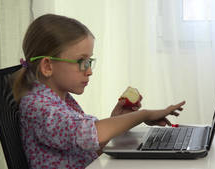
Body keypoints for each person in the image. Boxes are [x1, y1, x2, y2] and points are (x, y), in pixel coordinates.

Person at [13, 14, 185, 169]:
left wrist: (117, 120)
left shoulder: (61, 99)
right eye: (81, 61)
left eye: (89, 61)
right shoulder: (37, 107)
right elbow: (91, 134)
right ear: (47, 66)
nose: (89, 71)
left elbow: (85, 148)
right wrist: (144, 115)